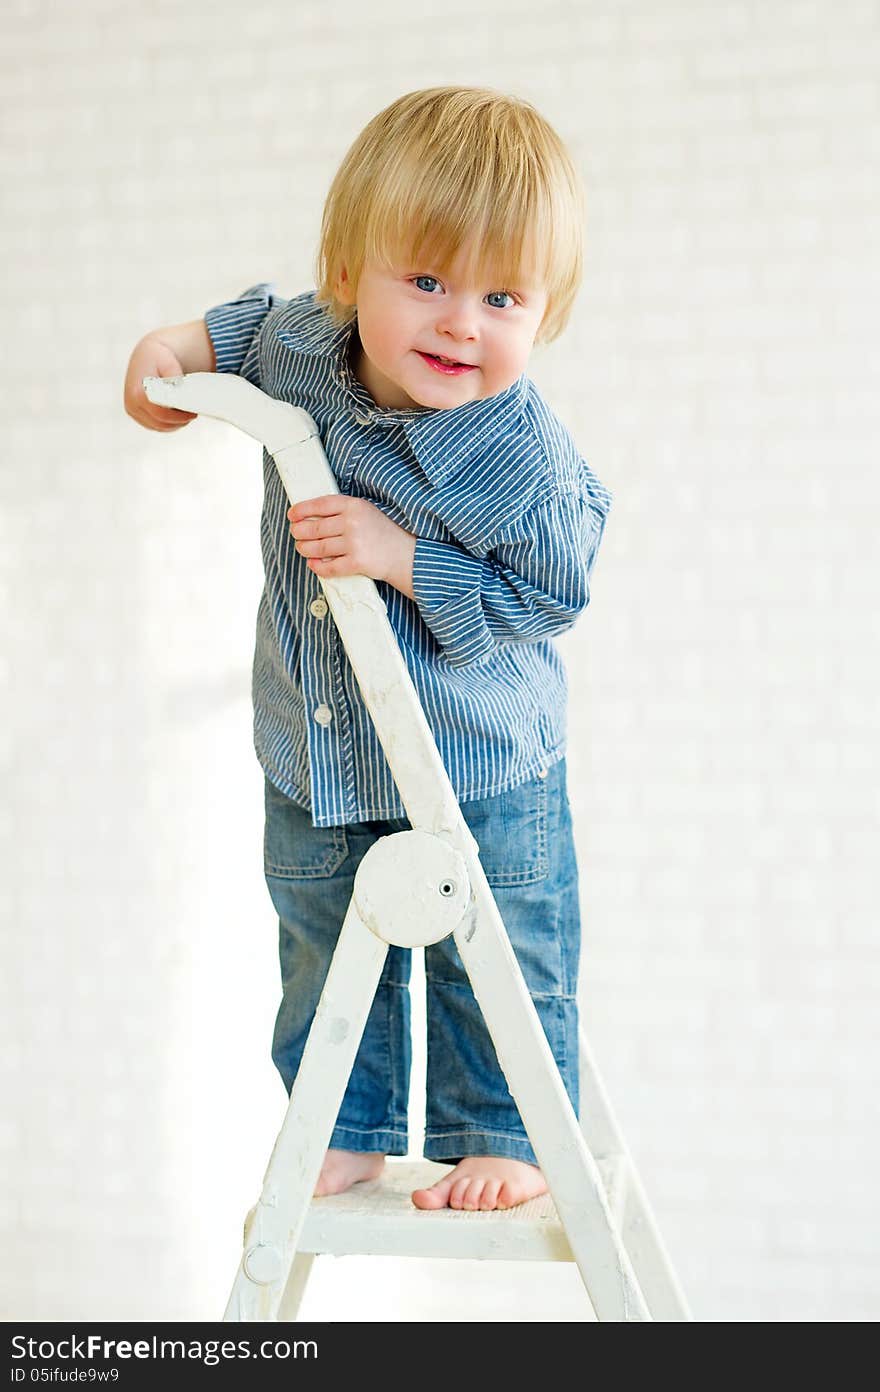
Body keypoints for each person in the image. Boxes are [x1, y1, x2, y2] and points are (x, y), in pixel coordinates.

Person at [123, 86, 612, 1213]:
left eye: (503, 297)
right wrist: (172, 351)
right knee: (315, 929)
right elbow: (235, 333)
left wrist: (403, 558)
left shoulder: (521, 453)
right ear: (349, 274)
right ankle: (340, 1122)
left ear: (545, 312)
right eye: (427, 282)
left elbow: (553, 592)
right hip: (320, 739)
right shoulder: (305, 344)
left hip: (477, 755)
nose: (461, 325)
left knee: (494, 942)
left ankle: (506, 1128)